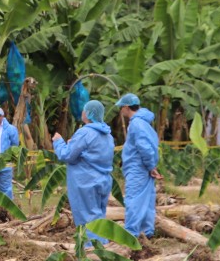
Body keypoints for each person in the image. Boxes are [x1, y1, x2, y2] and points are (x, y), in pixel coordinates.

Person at [53, 100, 115, 241]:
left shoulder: (85, 132)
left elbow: (67, 155)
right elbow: (94, 154)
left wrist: (58, 142)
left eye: (84, 110)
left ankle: (92, 251)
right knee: (99, 217)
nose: (82, 112)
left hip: (85, 182)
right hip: (104, 180)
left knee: (87, 219)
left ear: (88, 113)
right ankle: (103, 246)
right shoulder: (108, 134)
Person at [118, 93, 160, 239]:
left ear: (126, 107)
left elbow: (144, 148)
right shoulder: (144, 123)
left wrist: (150, 166)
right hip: (145, 167)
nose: (120, 111)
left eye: (121, 108)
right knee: (147, 201)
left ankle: (131, 235)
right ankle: (147, 232)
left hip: (138, 168)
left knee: (133, 200)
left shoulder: (136, 124)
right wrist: (152, 166)